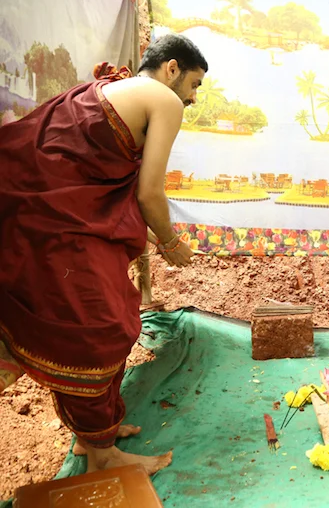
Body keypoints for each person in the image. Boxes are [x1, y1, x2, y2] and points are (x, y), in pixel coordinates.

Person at [0, 33, 206, 474]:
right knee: (101, 332)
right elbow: (149, 193)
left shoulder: (109, 88)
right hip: (62, 231)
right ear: (171, 68)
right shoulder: (162, 99)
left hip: (40, 223)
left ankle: (93, 436)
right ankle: (104, 456)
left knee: (104, 324)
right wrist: (170, 242)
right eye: (194, 84)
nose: (192, 98)